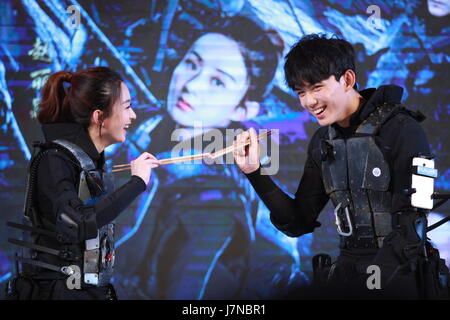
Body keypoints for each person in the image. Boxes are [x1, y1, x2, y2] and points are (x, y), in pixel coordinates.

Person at [233, 34, 450, 299]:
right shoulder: (323, 142)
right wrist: (254, 173)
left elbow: (412, 227)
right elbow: (297, 221)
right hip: (348, 271)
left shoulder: (404, 130)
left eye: (316, 88)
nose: (309, 102)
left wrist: (371, 284)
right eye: (301, 92)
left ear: (347, 79)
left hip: (400, 276)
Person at [109, 16, 303, 299]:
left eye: (217, 81)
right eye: (191, 64)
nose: (192, 84)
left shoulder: (215, 200)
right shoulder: (140, 125)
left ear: (243, 109)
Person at [5, 67, 160, 300]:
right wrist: (137, 182)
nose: (133, 116)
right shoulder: (54, 160)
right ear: (99, 117)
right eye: (127, 107)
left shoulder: (92, 164)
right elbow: (76, 223)